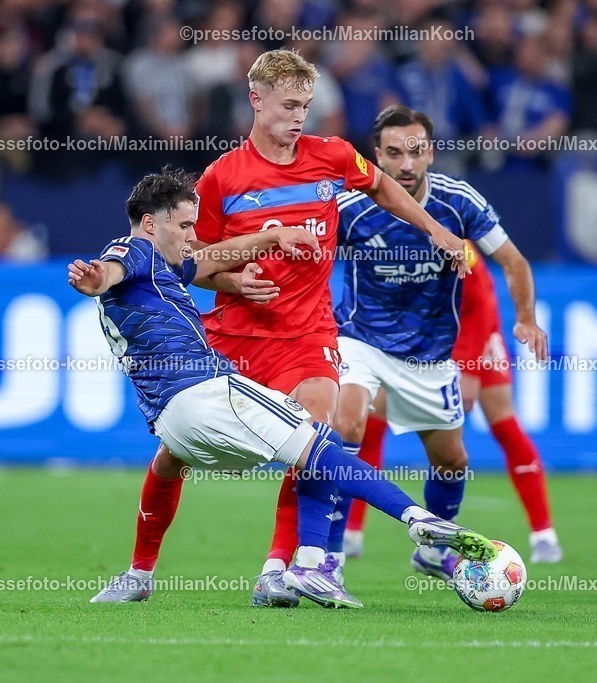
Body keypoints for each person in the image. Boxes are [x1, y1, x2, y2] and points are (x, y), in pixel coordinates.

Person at [119, 49, 470, 611]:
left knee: (315, 435)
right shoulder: (222, 178)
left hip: (307, 333)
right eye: (288, 105)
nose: (298, 116)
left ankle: (283, 568)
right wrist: (236, 284)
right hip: (235, 335)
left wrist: (435, 230)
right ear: (255, 100)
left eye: (305, 105)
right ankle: (139, 571)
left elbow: (381, 187)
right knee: (173, 456)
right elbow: (191, 262)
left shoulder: (331, 156)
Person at [76, 169, 494, 608]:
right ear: (149, 223)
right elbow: (111, 269)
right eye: (184, 225)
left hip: (170, 421)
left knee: (170, 465)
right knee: (322, 441)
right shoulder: (135, 250)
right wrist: (97, 278)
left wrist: (272, 238)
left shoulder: (164, 265)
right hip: (207, 393)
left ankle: (139, 574)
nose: (192, 234)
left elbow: (216, 256)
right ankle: (407, 523)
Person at [264, 105, 549, 587]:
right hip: (360, 340)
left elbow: (514, 261)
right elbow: (301, 255)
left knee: (452, 459)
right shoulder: (351, 207)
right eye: (394, 153)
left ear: (431, 152)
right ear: (377, 156)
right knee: (345, 423)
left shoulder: (459, 202)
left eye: (415, 151)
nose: (406, 163)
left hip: (430, 355)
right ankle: (327, 561)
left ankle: (436, 552)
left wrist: (525, 319)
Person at [343, 244, 564, 564]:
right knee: (371, 420)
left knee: (503, 423)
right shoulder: (389, 231)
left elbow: (480, 300)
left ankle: (543, 535)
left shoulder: (453, 238)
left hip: (476, 334)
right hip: (424, 336)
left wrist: (471, 369)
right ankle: (352, 532)